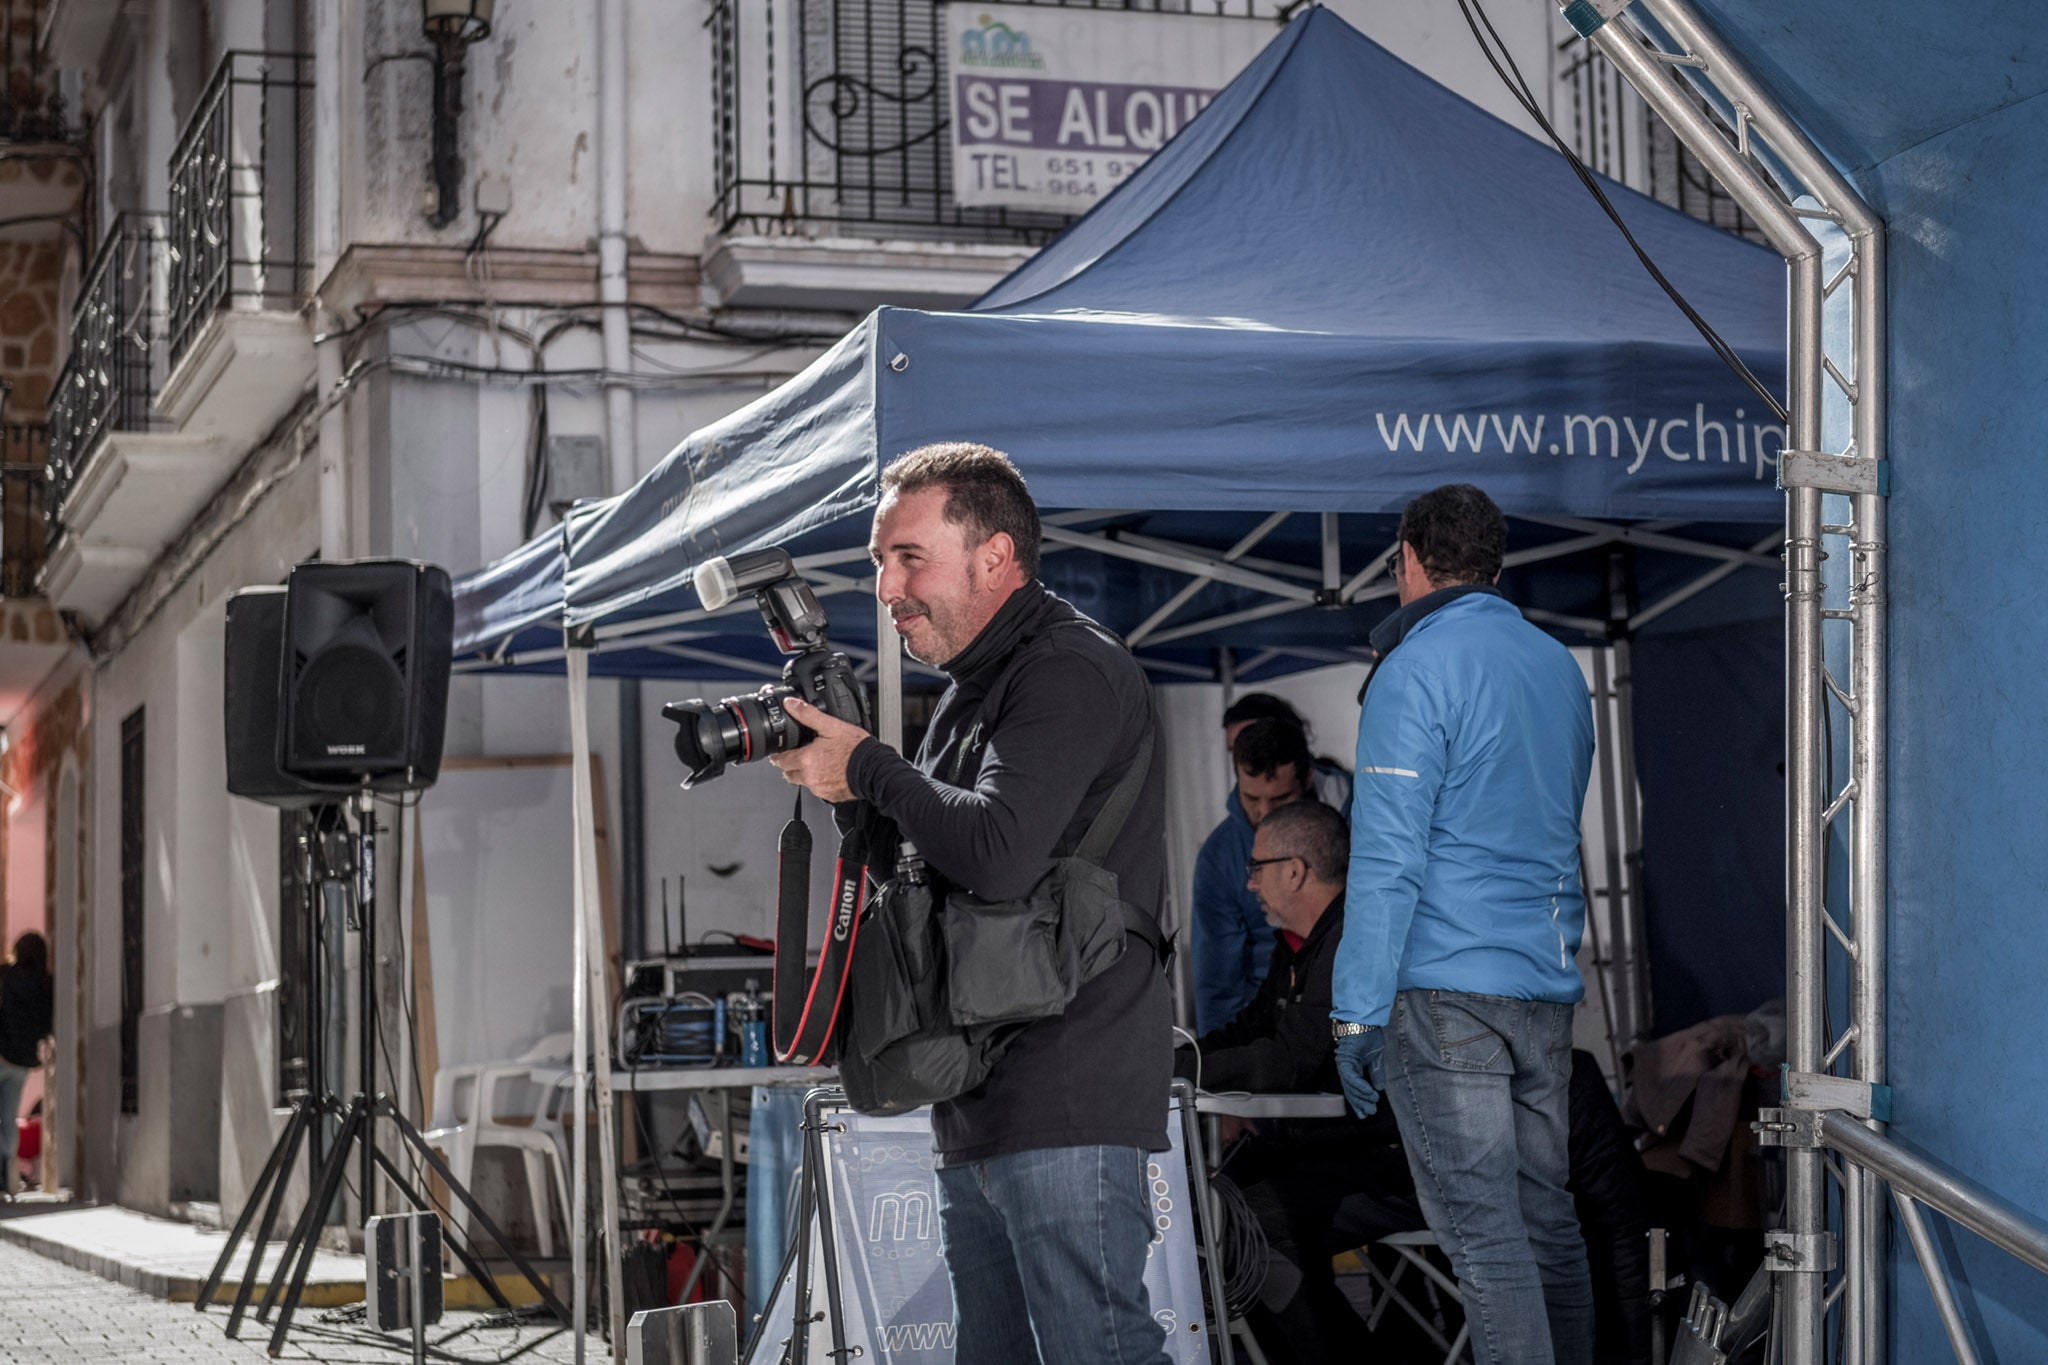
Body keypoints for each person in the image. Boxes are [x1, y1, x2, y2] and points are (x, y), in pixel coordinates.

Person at [769, 442, 1173, 1365]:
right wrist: (851, 799)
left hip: (1068, 1086)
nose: (886, 587)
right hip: (979, 1091)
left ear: (995, 556)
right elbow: (930, 862)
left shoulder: (1068, 669)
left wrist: (869, 763)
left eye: (908, 556)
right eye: (879, 561)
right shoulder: (971, 694)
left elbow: (997, 851)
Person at [1332, 483, 1598, 1365]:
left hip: (1446, 990)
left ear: (1406, 558)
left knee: (1486, 1239)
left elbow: (1386, 860)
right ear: (1496, 564)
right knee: (1547, 1223)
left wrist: (1355, 1013)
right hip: (1544, 983)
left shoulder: (1413, 668)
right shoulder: (1559, 666)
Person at [1176, 800, 1413, 1362]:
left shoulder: (1350, 946)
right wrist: (1176, 1057)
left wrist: (1177, 1069)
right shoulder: (1303, 949)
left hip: (1392, 1162)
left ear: (1296, 870)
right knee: (1213, 1210)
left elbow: (1287, 1058)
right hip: (1337, 1149)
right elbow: (1248, 1030)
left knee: (1240, 1224)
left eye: (1257, 867)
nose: (1249, 883)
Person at [1192, 718, 1324, 1032]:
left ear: (1306, 778)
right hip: (1271, 1024)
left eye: (1279, 798)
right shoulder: (1219, 857)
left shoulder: (1354, 817)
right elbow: (1217, 979)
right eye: (1250, 798)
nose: (1264, 813)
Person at [0, 931, 54, 1195]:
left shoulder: (6, 977)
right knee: (9, 1118)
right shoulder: (46, 984)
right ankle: (6, 1168)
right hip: (23, 1062)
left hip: (1, 1056)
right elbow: (47, 1024)